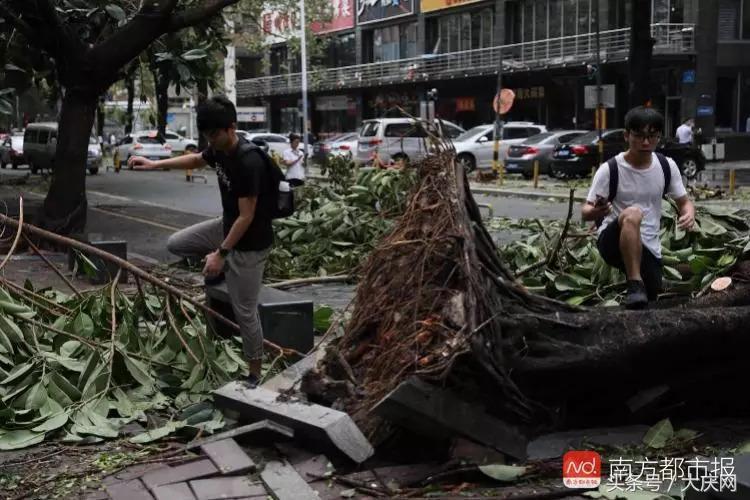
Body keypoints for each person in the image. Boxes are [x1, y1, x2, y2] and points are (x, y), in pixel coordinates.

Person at [128, 95, 275, 387]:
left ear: (231, 128)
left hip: (250, 243)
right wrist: (154, 164)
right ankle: (219, 267)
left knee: (244, 310)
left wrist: (221, 253)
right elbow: (196, 159)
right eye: (207, 135)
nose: (211, 141)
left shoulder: (248, 160)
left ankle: (255, 373)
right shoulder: (219, 149)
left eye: (215, 135)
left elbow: (246, 217)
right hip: (226, 228)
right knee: (177, 243)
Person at [582, 106, 695, 309]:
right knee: (633, 213)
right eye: (639, 136)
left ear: (659, 137)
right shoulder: (610, 169)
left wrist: (688, 214)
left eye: (652, 136)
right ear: (627, 135)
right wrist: (597, 211)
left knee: (647, 301)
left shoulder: (666, 166)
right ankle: (634, 283)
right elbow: (585, 212)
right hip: (612, 241)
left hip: (649, 246)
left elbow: (684, 202)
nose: (645, 142)